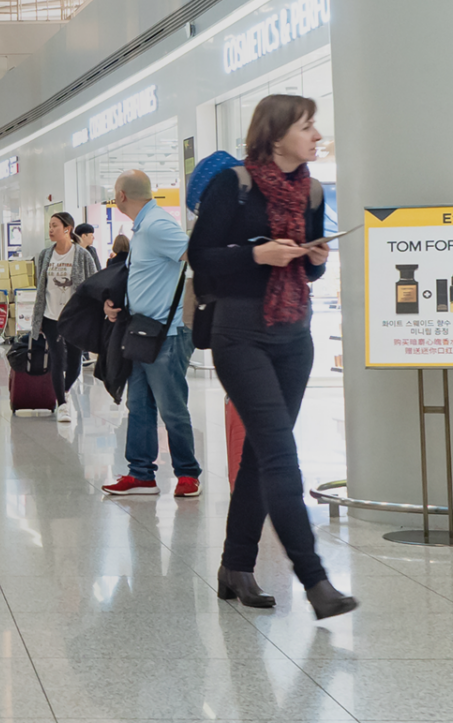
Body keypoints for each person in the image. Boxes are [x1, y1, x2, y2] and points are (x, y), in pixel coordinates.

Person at [192, 93, 355, 620]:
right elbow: (202, 259)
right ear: (276, 132)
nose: (315, 135)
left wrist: (316, 259)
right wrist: (256, 254)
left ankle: (235, 566)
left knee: (263, 455)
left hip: (294, 333)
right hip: (240, 333)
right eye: (307, 126)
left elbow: (305, 272)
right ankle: (315, 581)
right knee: (282, 454)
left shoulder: (311, 191)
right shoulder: (233, 184)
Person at [100, 170, 202, 498]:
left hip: (168, 334)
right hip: (143, 331)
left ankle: (188, 474)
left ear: (122, 195)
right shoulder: (143, 227)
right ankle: (141, 474)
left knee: (171, 406)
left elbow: (194, 255)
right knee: (140, 405)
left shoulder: (157, 225)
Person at [35, 211, 100, 423]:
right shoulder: (45, 255)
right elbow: (40, 287)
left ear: (67, 228)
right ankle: (62, 404)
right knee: (56, 359)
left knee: (74, 361)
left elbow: (92, 285)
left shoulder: (82, 255)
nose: (50, 229)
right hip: (51, 315)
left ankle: (64, 390)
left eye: (54, 225)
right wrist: (39, 320)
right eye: (49, 225)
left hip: (75, 318)